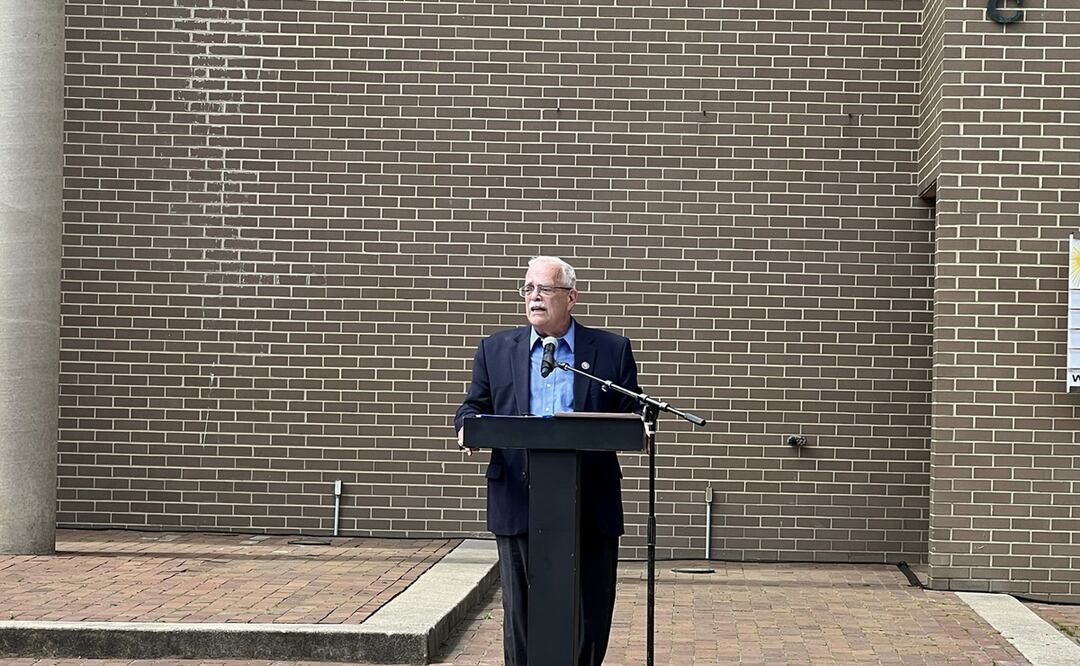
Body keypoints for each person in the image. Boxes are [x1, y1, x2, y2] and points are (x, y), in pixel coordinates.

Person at [454, 255, 642, 666]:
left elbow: (634, 412)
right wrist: (467, 429)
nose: (534, 297)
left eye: (545, 289)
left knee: (591, 612)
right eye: (528, 288)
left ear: (571, 297)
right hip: (519, 497)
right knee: (521, 613)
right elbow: (473, 408)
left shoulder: (611, 350)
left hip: (590, 500)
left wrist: (643, 421)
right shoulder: (495, 350)